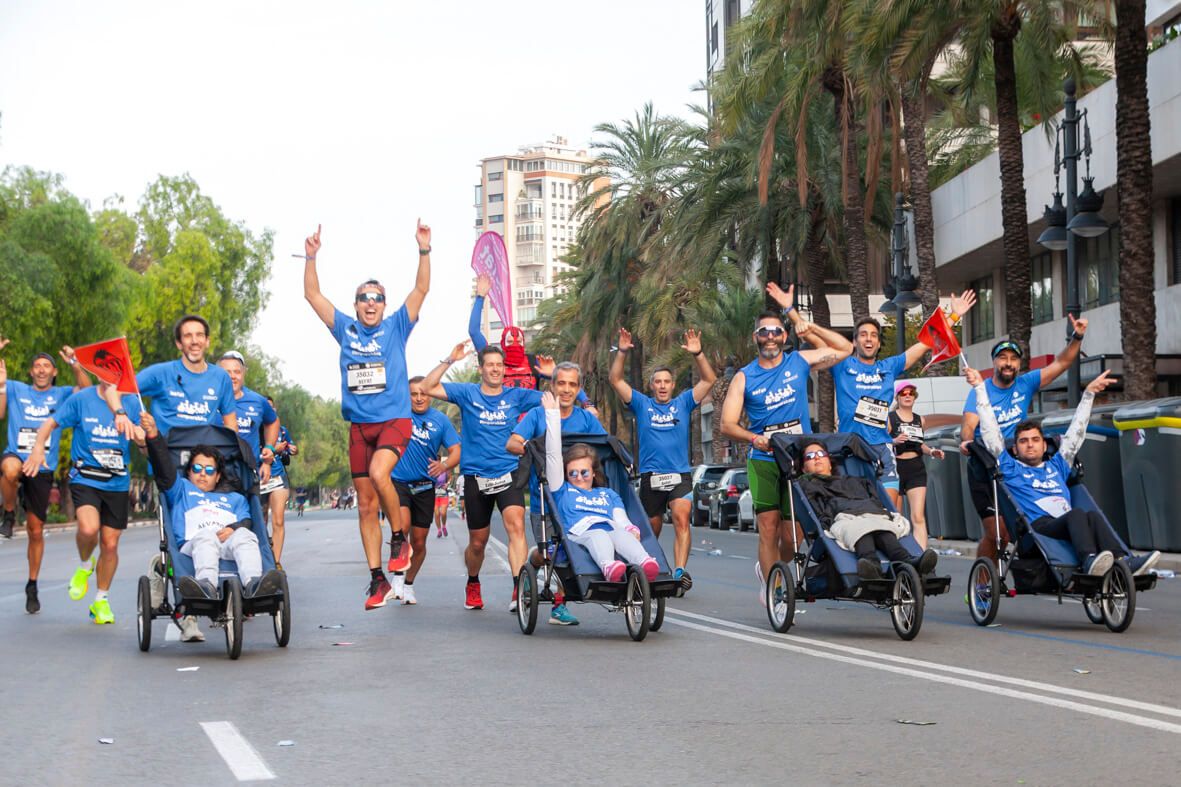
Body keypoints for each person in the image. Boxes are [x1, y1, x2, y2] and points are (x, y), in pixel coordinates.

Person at [302, 221, 432, 610]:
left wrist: (424, 250)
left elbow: (421, 289)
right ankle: (377, 579)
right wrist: (311, 257)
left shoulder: (396, 327)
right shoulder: (345, 328)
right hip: (359, 427)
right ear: (356, 304)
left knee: (379, 474)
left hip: (393, 420)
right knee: (363, 504)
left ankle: (399, 538)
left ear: (384, 305)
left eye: (377, 298)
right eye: (364, 298)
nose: (370, 304)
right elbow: (312, 295)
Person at [718, 283, 853, 602]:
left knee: (793, 536)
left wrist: (797, 317)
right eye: (764, 332)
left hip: (796, 457)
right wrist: (754, 438)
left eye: (776, 331)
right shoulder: (744, 376)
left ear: (784, 336)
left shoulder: (799, 361)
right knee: (768, 526)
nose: (770, 337)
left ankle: (773, 568)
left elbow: (846, 348)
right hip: (764, 458)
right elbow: (726, 424)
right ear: (755, 337)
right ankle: (772, 587)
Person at [107, 314, 237, 641]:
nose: (194, 341)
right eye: (187, 336)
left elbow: (230, 422)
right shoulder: (162, 373)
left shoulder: (220, 378)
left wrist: (236, 457)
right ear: (179, 343)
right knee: (181, 534)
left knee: (207, 529)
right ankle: (187, 613)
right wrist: (129, 421)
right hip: (169, 467)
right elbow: (119, 389)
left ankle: (165, 569)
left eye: (199, 335)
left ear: (207, 341)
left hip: (206, 469)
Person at [968, 367, 1160, 577]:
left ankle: (1125, 561)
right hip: (1039, 526)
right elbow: (990, 431)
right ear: (1015, 449)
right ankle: (1089, 560)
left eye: (1035, 440)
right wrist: (980, 388)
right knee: (1076, 514)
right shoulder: (1010, 467)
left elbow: (1077, 432)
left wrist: (1089, 395)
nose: (1030, 445)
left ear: (1044, 445)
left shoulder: (1057, 464)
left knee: (1092, 516)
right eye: (1023, 441)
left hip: (1068, 522)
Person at [420, 341, 545, 611]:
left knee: (516, 526)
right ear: (481, 369)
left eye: (499, 365)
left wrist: (552, 375)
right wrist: (450, 359)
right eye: (490, 365)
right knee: (478, 543)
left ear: (504, 369)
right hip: (476, 477)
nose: (495, 369)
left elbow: (555, 398)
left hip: (508, 472)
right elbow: (427, 387)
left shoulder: (516, 396)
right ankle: (473, 582)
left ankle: (518, 588)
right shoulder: (467, 393)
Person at [960, 314, 1089, 568]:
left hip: (1016, 466)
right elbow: (968, 426)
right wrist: (967, 442)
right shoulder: (981, 390)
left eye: (1013, 359)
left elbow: (1062, 362)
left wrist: (1077, 336)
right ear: (994, 362)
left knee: (1028, 523)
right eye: (1002, 358)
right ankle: (983, 582)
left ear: (1019, 364)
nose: (1008, 363)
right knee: (998, 534)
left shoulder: (1026, 383)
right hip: (985, 467)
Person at [831, 292, 975, 508]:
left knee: (889, 512)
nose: (868, 339)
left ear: (879, 343)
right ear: (854, 341)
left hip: (881, 448)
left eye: (873, 335)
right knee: (855, 513)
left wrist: (953, 316)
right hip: (851, 448)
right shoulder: (842, 365)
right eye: (863, 335)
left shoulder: (888, 367)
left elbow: (925, 344)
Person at [608, 327, 716, 591]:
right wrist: (622, 351)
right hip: (651, 477)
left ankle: (679, 572)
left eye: (667, 381)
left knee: (682, 518)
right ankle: (645, 569)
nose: (663, 386)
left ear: (673, 385)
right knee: (651, 529)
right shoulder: (642, 404)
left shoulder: (683, 402)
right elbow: (615, 380)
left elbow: (709, 379)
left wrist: (698, 354)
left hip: (679, 475)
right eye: (658, 382)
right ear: (652, 385)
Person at [26, 379, 139, 625]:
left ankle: (101, 600)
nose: (108, 374)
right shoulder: (81, 399)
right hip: (85, 477)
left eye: (113, 368)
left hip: (117, 482)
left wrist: (141, 435)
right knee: (88, 529)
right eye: (102, 368)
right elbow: (49, 423)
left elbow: (145, 439)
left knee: (110, 545)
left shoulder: (131, 401)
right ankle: (86, 564)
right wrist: (38, 448)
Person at [142, 411, 282, 598]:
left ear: (217, 476)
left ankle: (254, 583)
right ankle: (206, 585)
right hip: (193, 545)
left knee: (245, 535)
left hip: (228, 544)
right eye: (197, 468)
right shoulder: (181, 489)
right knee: (206, 536)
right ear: (189, 472)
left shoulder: (236, 498)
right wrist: (153, 434)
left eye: (209, 470)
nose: (202, 474)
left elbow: (247, 521)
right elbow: (163, 466)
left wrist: (234, 528)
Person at [508, 361, 605, 625]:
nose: (566, 389)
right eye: (561, 383)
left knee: (569, 552)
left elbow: (604, 446)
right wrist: (531, 447)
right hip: (544, 500)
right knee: (548, 553)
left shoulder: (586, 419)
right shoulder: (537, 415)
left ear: (578, 388)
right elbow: (512, 443)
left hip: (578, 500)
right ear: (552, 386)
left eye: (572, 384)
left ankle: (559, 606)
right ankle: (532, 565)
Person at [0, 341, 91, 614]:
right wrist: (1, 384)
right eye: (37, 366)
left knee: (35, 530)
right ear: (30, 372)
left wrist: (75, 364)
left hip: (42, 468)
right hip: (17, 455)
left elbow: (87, 391)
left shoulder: (62, 394)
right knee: (9, 469)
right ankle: (8, 513)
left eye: (46, 366)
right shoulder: (16, 388)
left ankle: (32, 584)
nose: (41, 370)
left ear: (54, 372)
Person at [542, 391, 660, 583]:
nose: (578, 477)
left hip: (611, 528)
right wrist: (552, 415)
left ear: (594, 473)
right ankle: (608, 566)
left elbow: (620, 518)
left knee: (622, 535)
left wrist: (630, 528)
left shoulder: (608, 494)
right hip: (578, 535)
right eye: (572, 473)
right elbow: (553, 455)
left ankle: (645, 562)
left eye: (584, 472)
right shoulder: (562, 490)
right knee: (598, 535)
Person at [796, 440, 938, 579]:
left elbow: (875, 501)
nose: (817, 458)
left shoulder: (856, 481)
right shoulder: (809, 486)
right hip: (844, 518)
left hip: (872, 514)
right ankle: (871, 566)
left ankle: (911, 562)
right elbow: (819, 513)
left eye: (821, 454)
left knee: (885, 531)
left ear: (830, 462)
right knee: (861, 530)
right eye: (810, 456)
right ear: (803, 468)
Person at [389, 376, 460, 607]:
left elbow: (456, 450)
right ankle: (397, 576)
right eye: (414, 394)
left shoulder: (440, 420)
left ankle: (408, 584)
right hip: (398, 483)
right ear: (407, 395)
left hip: (425, 487)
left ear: (430, 395)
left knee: (419, 543)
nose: (419, 398)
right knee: (402, 528)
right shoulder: (397, 415)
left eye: (423, 393)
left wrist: (445, 465)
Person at [469, 274, 591, 406]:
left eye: (519, 341)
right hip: (502, 416)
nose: (515, 344)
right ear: (503, 344)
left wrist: (587, 404)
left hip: (532, 417)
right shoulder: (495, 364)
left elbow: (567, 380)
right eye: (510, 342)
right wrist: (480, 297)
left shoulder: (533, 363)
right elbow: (474, 332)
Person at [887, 381, 945, 548]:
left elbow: (920, 444)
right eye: (903, 393)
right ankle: (897, 553)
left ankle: (922, 555)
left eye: (910, 393)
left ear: (915, 397)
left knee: (918, 516)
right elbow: (882, 442)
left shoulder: (921, 420)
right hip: (896, 468)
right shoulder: (890, 419)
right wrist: (894, 440)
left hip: (916, 468)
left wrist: (932, 451)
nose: (907, 396)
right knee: (896, 516)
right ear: (897, 398)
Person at [263, 396, 297, 564]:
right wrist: (273, 450)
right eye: (266, 407)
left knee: (278, 520)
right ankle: (261, 559)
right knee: (260, 521)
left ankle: (275, 563)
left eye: (272, 407)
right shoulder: (253, 428)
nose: (269, 410)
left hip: (278, 477)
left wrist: (292, 449)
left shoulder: (282, 431)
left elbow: (291, 447)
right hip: (260, 478)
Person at [433, 471, 450, 538]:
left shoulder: (445, 470)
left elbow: (450, 478)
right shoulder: (432, 470)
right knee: (437, 513)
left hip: (444, 494)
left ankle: (444, 526)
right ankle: (439, 530)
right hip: (434, 495)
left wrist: (447, 484)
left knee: (443, 513)